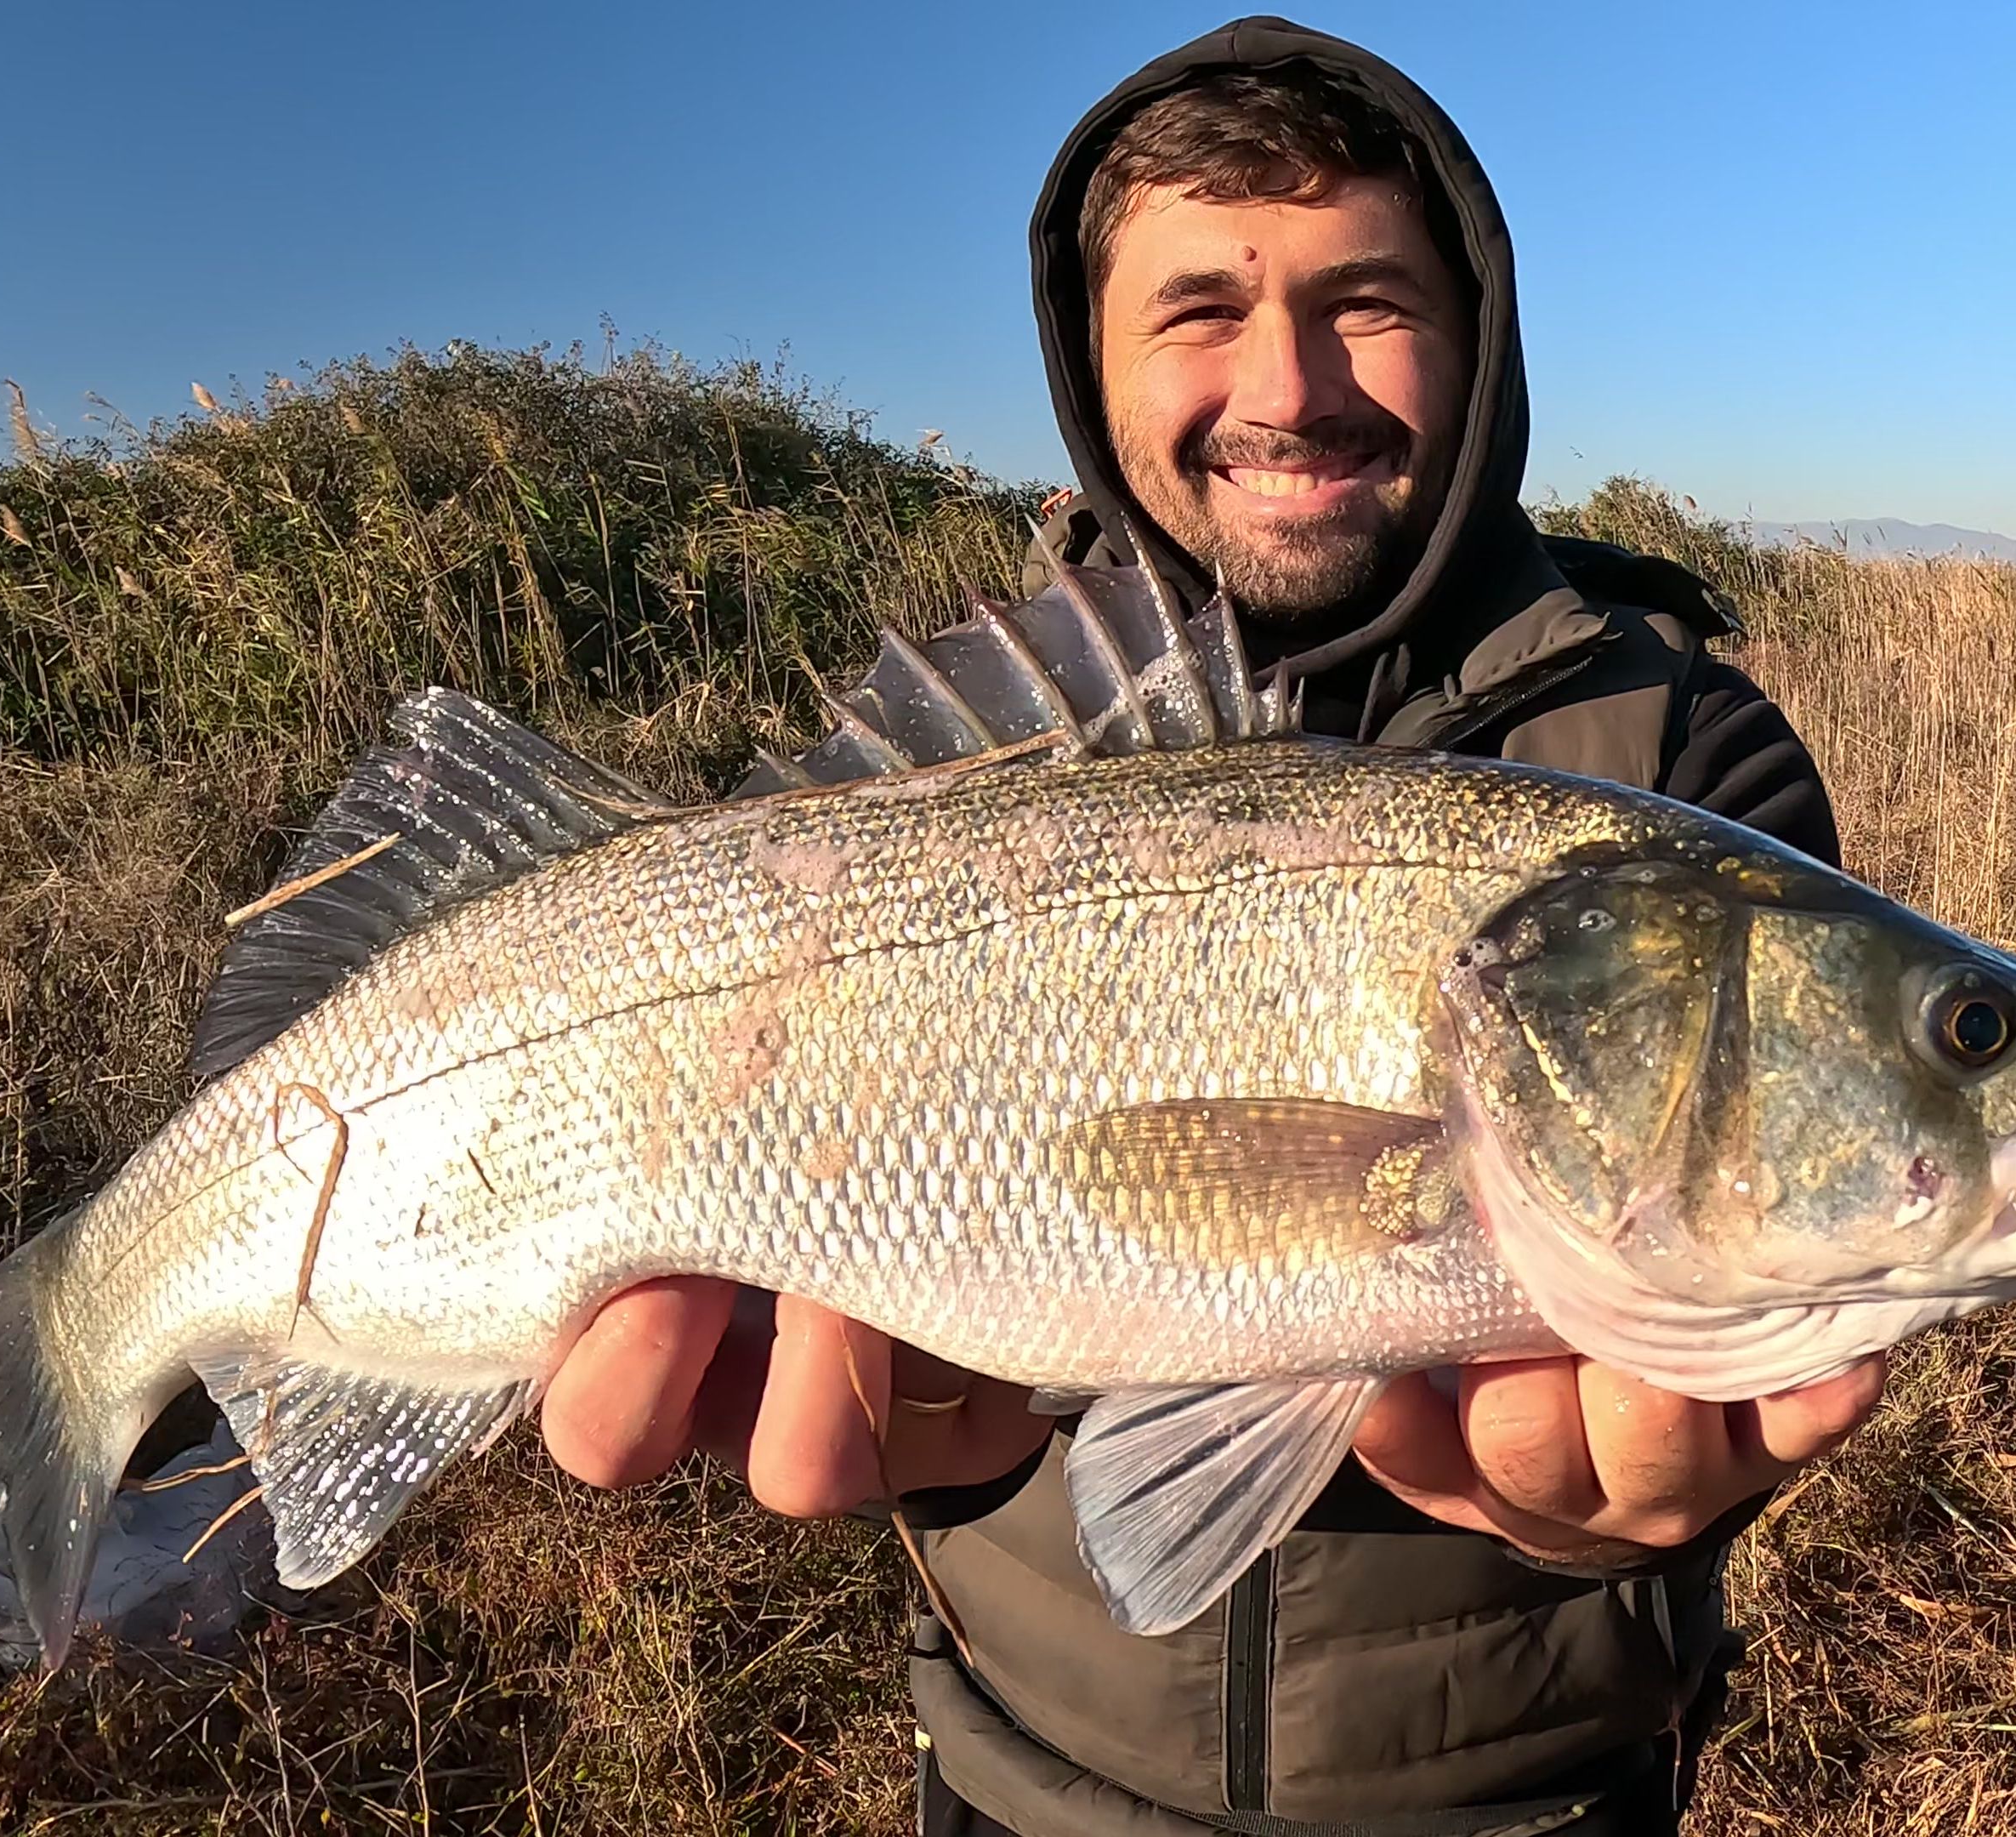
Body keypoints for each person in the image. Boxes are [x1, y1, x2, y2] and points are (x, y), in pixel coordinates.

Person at [538, 18, 1884, 1834]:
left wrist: (1665, 1497)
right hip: (1021, 1778)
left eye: (1364, 299)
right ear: (1086, 372)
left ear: (1477, 338)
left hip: (1529, 1796)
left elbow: (1743, 1333)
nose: (1286, 383)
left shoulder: (1675, 763)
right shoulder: (966, 737)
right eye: (1195, 312)